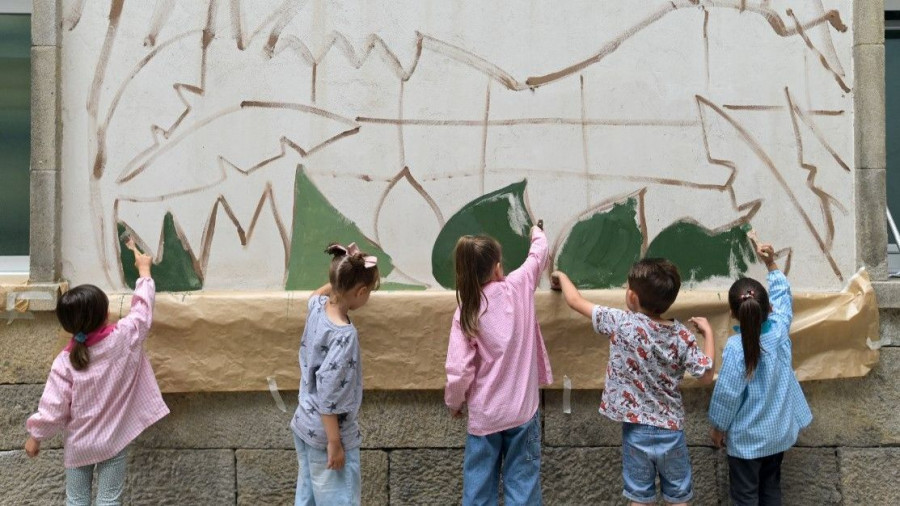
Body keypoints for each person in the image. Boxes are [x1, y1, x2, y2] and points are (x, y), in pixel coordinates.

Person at [552, 259, 715, 505]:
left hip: (636, 430)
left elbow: (574, 301)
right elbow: (706, 376)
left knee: (639, 498)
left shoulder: (621, 322)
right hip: (671, 431)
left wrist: (560, 276)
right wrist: (709, 333)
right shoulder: (682, 335)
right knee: (679, 498)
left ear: (632, 297)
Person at [24, 239, 169, 506]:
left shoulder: (65, 361)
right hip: (113, 440)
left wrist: (36, 437)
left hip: (79, 445)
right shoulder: (123, 338)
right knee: (109, 500)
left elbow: (53, 408)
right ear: (105, 314)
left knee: (76, 500)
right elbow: (142, 310)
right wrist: (144, 272)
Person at [445, 222, 553, 505]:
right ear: (496, 267)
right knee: (524, 486)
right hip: (522, 413)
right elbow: (538, 255)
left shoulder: (466, 310)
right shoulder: (519, 286)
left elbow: (459, 370)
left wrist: (454, 403)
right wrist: (535, 231)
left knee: (478, 491)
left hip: (485, 417)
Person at [708, 241, 812, 506]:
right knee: (771, 492)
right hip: (777, 435)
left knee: (745, 498)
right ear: (769, 309)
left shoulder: (735, 349)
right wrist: (771, 264)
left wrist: (718, 427)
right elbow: (783, 297)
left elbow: (727, 394)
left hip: (746, 443)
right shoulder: (779, 332)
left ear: (733, 313)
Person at [290, 242, 380, 506]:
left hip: (304, 423)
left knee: (307, 496)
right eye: (370, 291)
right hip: (327, 433)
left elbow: (314, 294)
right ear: (360, 292)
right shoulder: (344, 336)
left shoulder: (318, 307)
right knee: (339, 499)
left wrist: (339, 280)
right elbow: (329, 395)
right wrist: (335, 443)